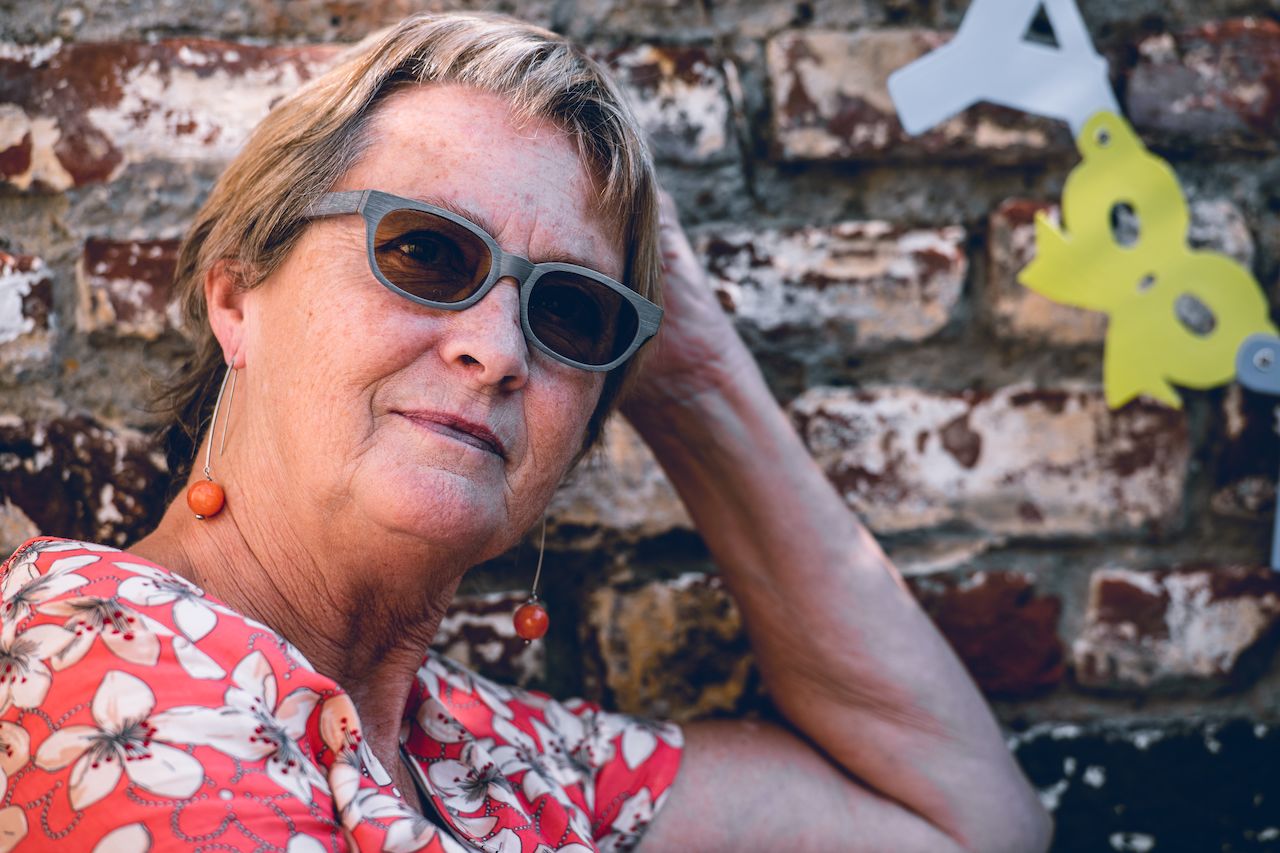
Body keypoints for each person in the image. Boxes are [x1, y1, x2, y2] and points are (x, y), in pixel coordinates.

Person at [0, 11, 1052, 853]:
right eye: (424, 252)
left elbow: (970, 820)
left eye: (570, 313)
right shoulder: (110, 663)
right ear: (237, 295)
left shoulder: (492, 756)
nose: (500, 347)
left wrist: (692, 377)